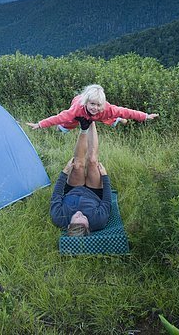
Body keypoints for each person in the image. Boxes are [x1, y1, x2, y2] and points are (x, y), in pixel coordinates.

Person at [50, 119, 111, 236]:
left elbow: (56, 195)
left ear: (68, 225)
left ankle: (84, 127)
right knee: (93, 161)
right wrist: (105, 177)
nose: (80, 213)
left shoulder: (58, 218)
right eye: (84, 217)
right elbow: (107, 201)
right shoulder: (98, 221)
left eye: (77, 216)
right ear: (89, 226)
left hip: (73, 189)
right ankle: (92, 119)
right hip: (94, 193)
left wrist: (64, 173)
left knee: (77, 164)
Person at [27, 83, 159, 132]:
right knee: (65, 126)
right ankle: (62, 129)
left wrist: (145, 116)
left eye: (98, 104)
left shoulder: (106, 108)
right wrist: (40, 124)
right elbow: (59, 117)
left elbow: (127, 112)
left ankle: (117, 120)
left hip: (103, 116)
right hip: (79, 114)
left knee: (112, 117)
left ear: (102, 103)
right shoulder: (77, 108)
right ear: (86, 102)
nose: (94, 107)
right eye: (92, 104)